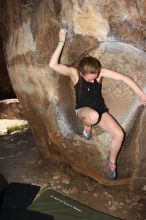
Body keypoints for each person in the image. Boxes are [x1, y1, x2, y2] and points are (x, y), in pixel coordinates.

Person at [49, 29, 146, 180]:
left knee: (119, 134)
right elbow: (53, 65)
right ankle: (87, 126)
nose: (94, 81)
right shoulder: (74, 74)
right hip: (83, 110)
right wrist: (61, 40)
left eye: (95, 77)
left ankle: (111, 162)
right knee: (93, 116)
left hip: (101, 111)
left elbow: (124, 78)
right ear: (81, 74)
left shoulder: (99, 73)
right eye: (90, 79)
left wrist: (140, 94)